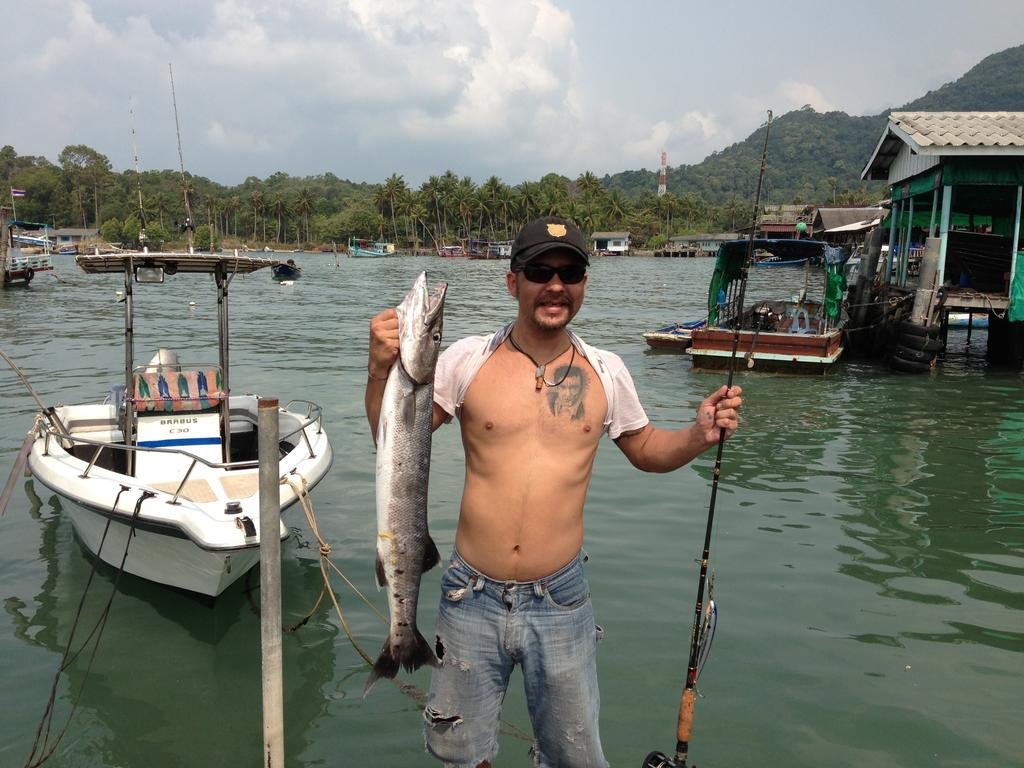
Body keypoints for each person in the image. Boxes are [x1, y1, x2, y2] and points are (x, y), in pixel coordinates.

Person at [365, 216, 742, 768]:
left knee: (574, 756)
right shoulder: (466, 361)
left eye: (571, 272)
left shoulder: (606, 371)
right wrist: (379, 371)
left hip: (560, 600)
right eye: (540, 270)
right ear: (513, 281)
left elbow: (645, 450)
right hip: (468, 596)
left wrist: (697, 435)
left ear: (585, 283)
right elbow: (392, 443)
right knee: (460, 753)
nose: (556, 285)